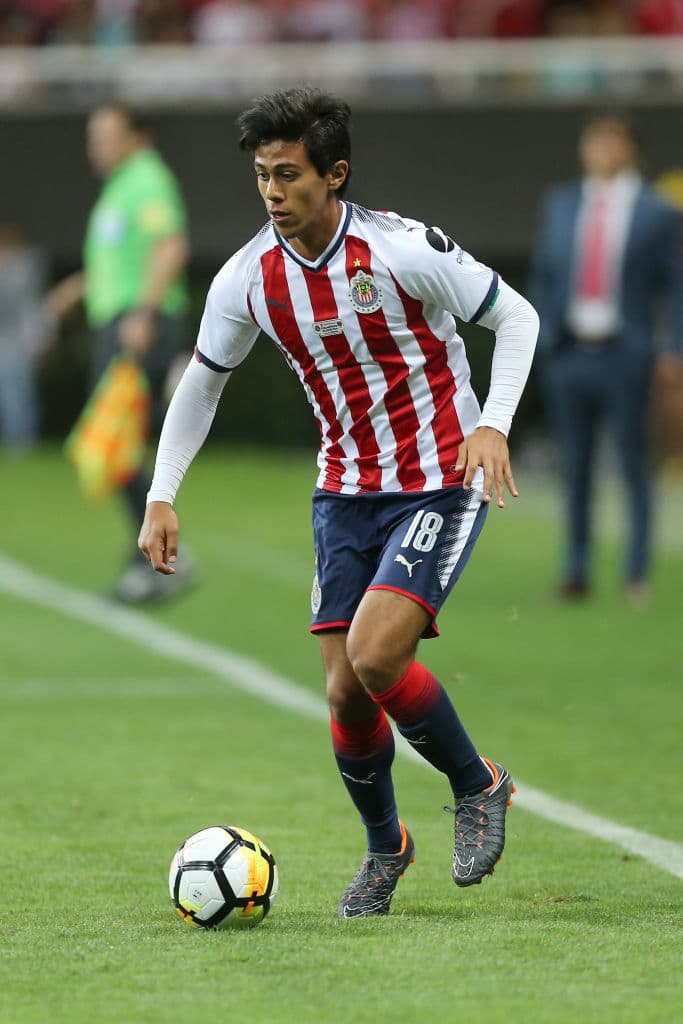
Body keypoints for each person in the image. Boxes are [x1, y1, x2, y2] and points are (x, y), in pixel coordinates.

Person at [138, 86, 539, 918]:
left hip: (436, 475)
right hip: (344, 491)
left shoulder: (401, 250)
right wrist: (161, 492)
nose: (273, 193)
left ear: (336, 174)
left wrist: (492, 425)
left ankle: (479, 785)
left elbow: (519, 319)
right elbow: (201, 388)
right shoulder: (248, 277)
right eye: (261, 177)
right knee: (345, 693)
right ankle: (385, 847)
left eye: (289, 175)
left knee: (377, 657)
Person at [530, 113, 683, 604]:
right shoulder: (561, 203)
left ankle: (636, 571)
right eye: (594, 140)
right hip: (571, 352)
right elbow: (546, 275)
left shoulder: (657, 211)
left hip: (627, 353)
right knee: (575, 466)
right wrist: (544, 334)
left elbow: (676, 287)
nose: (601, 149)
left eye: (611, 141)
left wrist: (673, 351)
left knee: (634, 465)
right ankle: (576, 568)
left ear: (631, 149)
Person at [48, 102, 194, 603]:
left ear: (137, 136)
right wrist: (78, 288)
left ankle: (161, 553)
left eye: (106, 135)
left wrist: (144, 314)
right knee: (118, 442)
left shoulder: (147, 180)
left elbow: (170, 246)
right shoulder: (120, 187)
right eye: (94, 137)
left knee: (113, 440)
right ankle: (150, 553)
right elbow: (125, 257)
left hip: (137, 325)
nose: (97, 146)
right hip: (122, 320)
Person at [0, 225, 51, 451]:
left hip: (17, 344)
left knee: (17, 395)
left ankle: (21, 444)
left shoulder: (26, 266)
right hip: (9, 341)